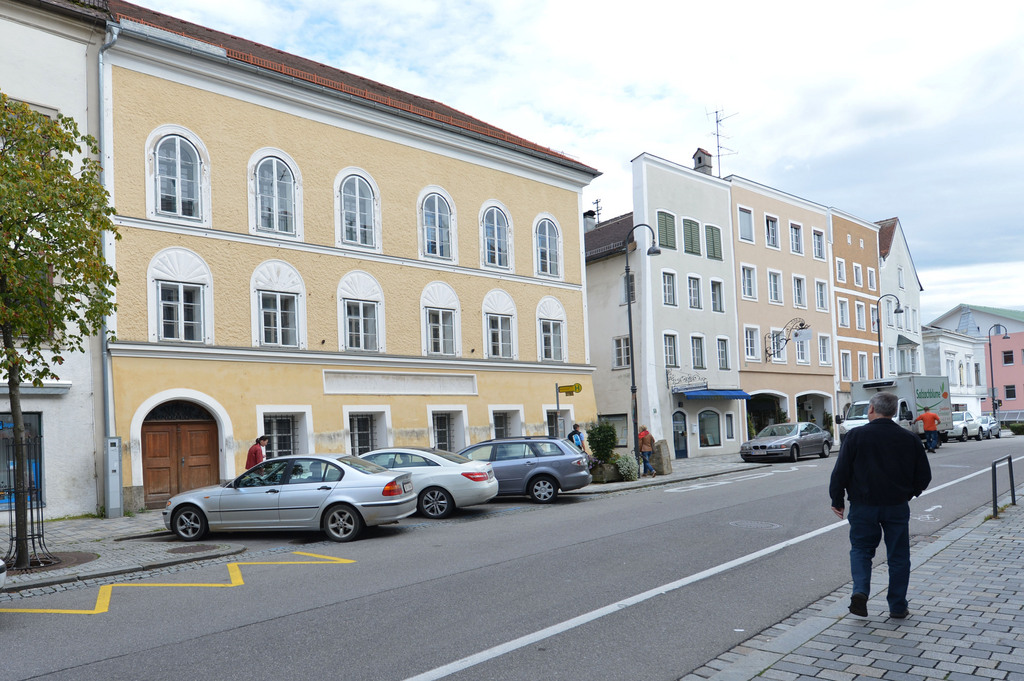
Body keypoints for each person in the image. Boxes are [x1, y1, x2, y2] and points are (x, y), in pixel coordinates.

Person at [829, 392, 931, 619]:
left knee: (861, 550)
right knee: (899, 556)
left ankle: (861, 592)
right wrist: (909, 493)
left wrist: (837, 499)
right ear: (894, 411)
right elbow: (924, 476)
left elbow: (841, 472)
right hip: (896, 505)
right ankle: (897, 606)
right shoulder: (909, 439)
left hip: (863, 505)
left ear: (872, 409)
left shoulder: (855, 436)